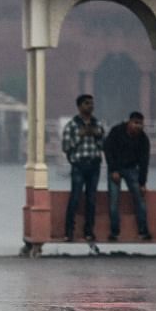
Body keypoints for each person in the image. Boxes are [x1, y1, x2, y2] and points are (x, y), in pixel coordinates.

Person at [61, 94, 105, 242]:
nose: (91, 106)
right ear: (79, 106)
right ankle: (69, 231)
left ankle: (89, 231)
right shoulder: (72, 125)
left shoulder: (97, 123)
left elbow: (104, 145)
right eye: (87, 104)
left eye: (92, 103)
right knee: (75, 197)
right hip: (79, 165)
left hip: (94, 165)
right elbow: (66, 147)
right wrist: (79, 136)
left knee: (91, 199)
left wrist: (97, 135)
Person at [104, 111, 153, 241]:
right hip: (116, 168)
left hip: (131, 169)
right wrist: (113, 169)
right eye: (136, 123)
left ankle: (143, 231)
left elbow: (144, 162)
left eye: (141, 124)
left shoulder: (143, 139)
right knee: (114, 201)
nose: (138, 127)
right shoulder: (116, 131)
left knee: (139, 199)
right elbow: (108, 150)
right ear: (129, 122)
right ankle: (115, 232)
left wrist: (142, 183)